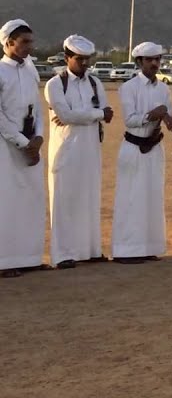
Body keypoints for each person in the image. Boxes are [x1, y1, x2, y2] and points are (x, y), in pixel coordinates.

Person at [45, 35, 113, 268]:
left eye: (87, 59)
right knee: (64, 201)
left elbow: (108, 113)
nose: (84, 63)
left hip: (90, 149)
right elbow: (66, 115)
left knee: (90, 198)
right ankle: (62, 254)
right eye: (79, 59)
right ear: (67, 58)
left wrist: (83, 115)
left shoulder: (95, 83)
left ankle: (90, 250)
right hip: (66, 151)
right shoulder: (55, 84)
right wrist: (96, 114)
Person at [112, 42, 172, 263]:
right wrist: (151, 115)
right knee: (131, 198)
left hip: (155, 147)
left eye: (157, 59)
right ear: (139, 62)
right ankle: (126, 250)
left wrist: (167, 118)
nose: (154, 63)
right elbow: (130, 120)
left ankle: (149, 246)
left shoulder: (163, 88)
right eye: (149, 60)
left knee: (152, 196)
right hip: (134, 148)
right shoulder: (128, 88)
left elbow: (169, 116)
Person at [0, 20, 46, 278]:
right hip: (6, 146)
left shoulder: (30, 71)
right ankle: (4, 261)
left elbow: (37, 108)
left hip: (30, 144)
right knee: (6, 202)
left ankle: (29, 257)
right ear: (9, 43)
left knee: (31, 200)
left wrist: (38, 137)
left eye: (31, 41)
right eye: (24, 42)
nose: (30, 47)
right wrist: (22, 142)